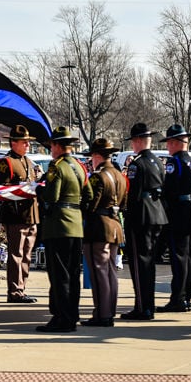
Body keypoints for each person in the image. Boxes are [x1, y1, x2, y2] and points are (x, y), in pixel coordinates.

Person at [37, 126, 92, 332]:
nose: (51, 149)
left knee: (59, 275)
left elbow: (51, 196)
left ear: (59, 146)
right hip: (76, 225)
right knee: (72, 273)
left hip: (58, 226)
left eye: (52, 145)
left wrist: (39, 191)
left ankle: (62, 318)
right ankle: (72, 314)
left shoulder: (56, 167)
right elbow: (89, 196)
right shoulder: (80, 166)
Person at [120, 123, 168, 321]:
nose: (132, 145)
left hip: (141, 217)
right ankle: (148, 305)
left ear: (138, 141)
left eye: (133, 141)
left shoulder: (137, 164)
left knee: (139, 265)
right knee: (148, 263)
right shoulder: (157, 160)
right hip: (156, 215)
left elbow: (133, 195)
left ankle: (143, 307)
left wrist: (125, 212)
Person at [0, 125, 41, 304]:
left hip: (31, 215)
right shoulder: (7, 162)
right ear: (14, 143)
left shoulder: (28, 161)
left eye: (28, 142)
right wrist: (20, 189)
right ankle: (14, 291)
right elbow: (1, 189)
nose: (27, 145)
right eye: (24, 142)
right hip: (16, 215)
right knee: (16, 254)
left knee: (27, 255)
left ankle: (21, 288)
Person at [81, 138, 127, 327]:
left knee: (99, 271)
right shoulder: (119, 175)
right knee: (110, 271)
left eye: (92, 156)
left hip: (99, 228)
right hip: (115, 226)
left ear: (97, 156)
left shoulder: (98, 176)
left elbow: (90, 204)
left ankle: (102, 313)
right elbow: (124, 204)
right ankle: (110, 310)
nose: (91, 160)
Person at [157, 124, 191, 314]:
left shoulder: (174, 163)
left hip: (179, 215)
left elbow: (169, 189)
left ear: (175, 143)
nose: (168, 146)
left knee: (179, 259)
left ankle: (178, 298)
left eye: (169, 142)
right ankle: (186, 297)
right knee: (188, 259)